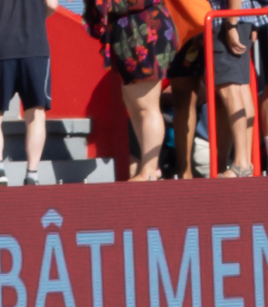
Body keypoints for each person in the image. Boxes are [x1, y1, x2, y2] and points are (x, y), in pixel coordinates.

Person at [0, 0, 59, 185]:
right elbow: (52, 5)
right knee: (36, 112)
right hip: (35, 48)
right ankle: (32, 175)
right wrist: (35, 19)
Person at [85, 0, 177, 180]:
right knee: (135, 108)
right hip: (127, 33)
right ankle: (148, 167)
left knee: (147, 106)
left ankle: (150, 170)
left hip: (145, 29)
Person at [168, 0, 256, 177]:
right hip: (226, 19)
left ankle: (241, 163)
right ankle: (242, 162)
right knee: (238, 88)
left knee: (231, 89)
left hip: (223, 19)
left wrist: (231, 25)